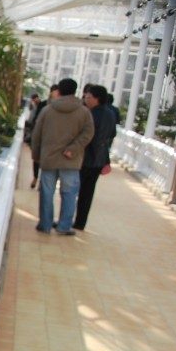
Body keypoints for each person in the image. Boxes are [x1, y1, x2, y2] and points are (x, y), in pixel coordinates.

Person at [30, 78, 94, 235]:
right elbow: (88, 133)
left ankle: (45, 225)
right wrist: (74, 147)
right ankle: (64, 226)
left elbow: (36, 135)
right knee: (69, 194)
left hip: (49, 158)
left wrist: (36, 155)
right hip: (71, 160)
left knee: (46, 193)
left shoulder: (48, 110)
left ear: (58, 91)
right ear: (75, 90)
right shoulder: (84, 112)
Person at [74, 84, 116, 231]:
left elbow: (86, 136)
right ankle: (80, 222)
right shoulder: (110, 114)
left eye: (88, 96)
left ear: (96, 99)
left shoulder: (89, 114)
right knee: (88, 192)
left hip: (85, 158)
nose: (86, 98)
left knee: (73, 190)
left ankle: (67, 220)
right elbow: (112, 135)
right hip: (99, 160)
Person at [29, 85, 59, 188]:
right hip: (42, 137)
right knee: (37, 160)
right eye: (54, 92)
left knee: (47, 162)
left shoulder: (60, 107)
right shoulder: (43, 105)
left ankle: (42, 182)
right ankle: (35, 178)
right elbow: (36, 120)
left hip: (53, 140)